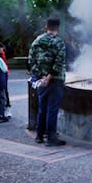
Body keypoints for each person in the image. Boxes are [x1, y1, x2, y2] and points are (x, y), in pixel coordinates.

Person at [29, 18, 67, 147]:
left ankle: (39, 136)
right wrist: (49, 77)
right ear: (58, 28)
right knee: (52, 109)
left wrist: (40, 76)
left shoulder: (36, 41)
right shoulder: (59, 43)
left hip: (41, 81)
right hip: (55, 81)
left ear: (46, 27)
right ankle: (51, 138)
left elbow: (31, 62)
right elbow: (58, 63)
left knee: (42, 108)